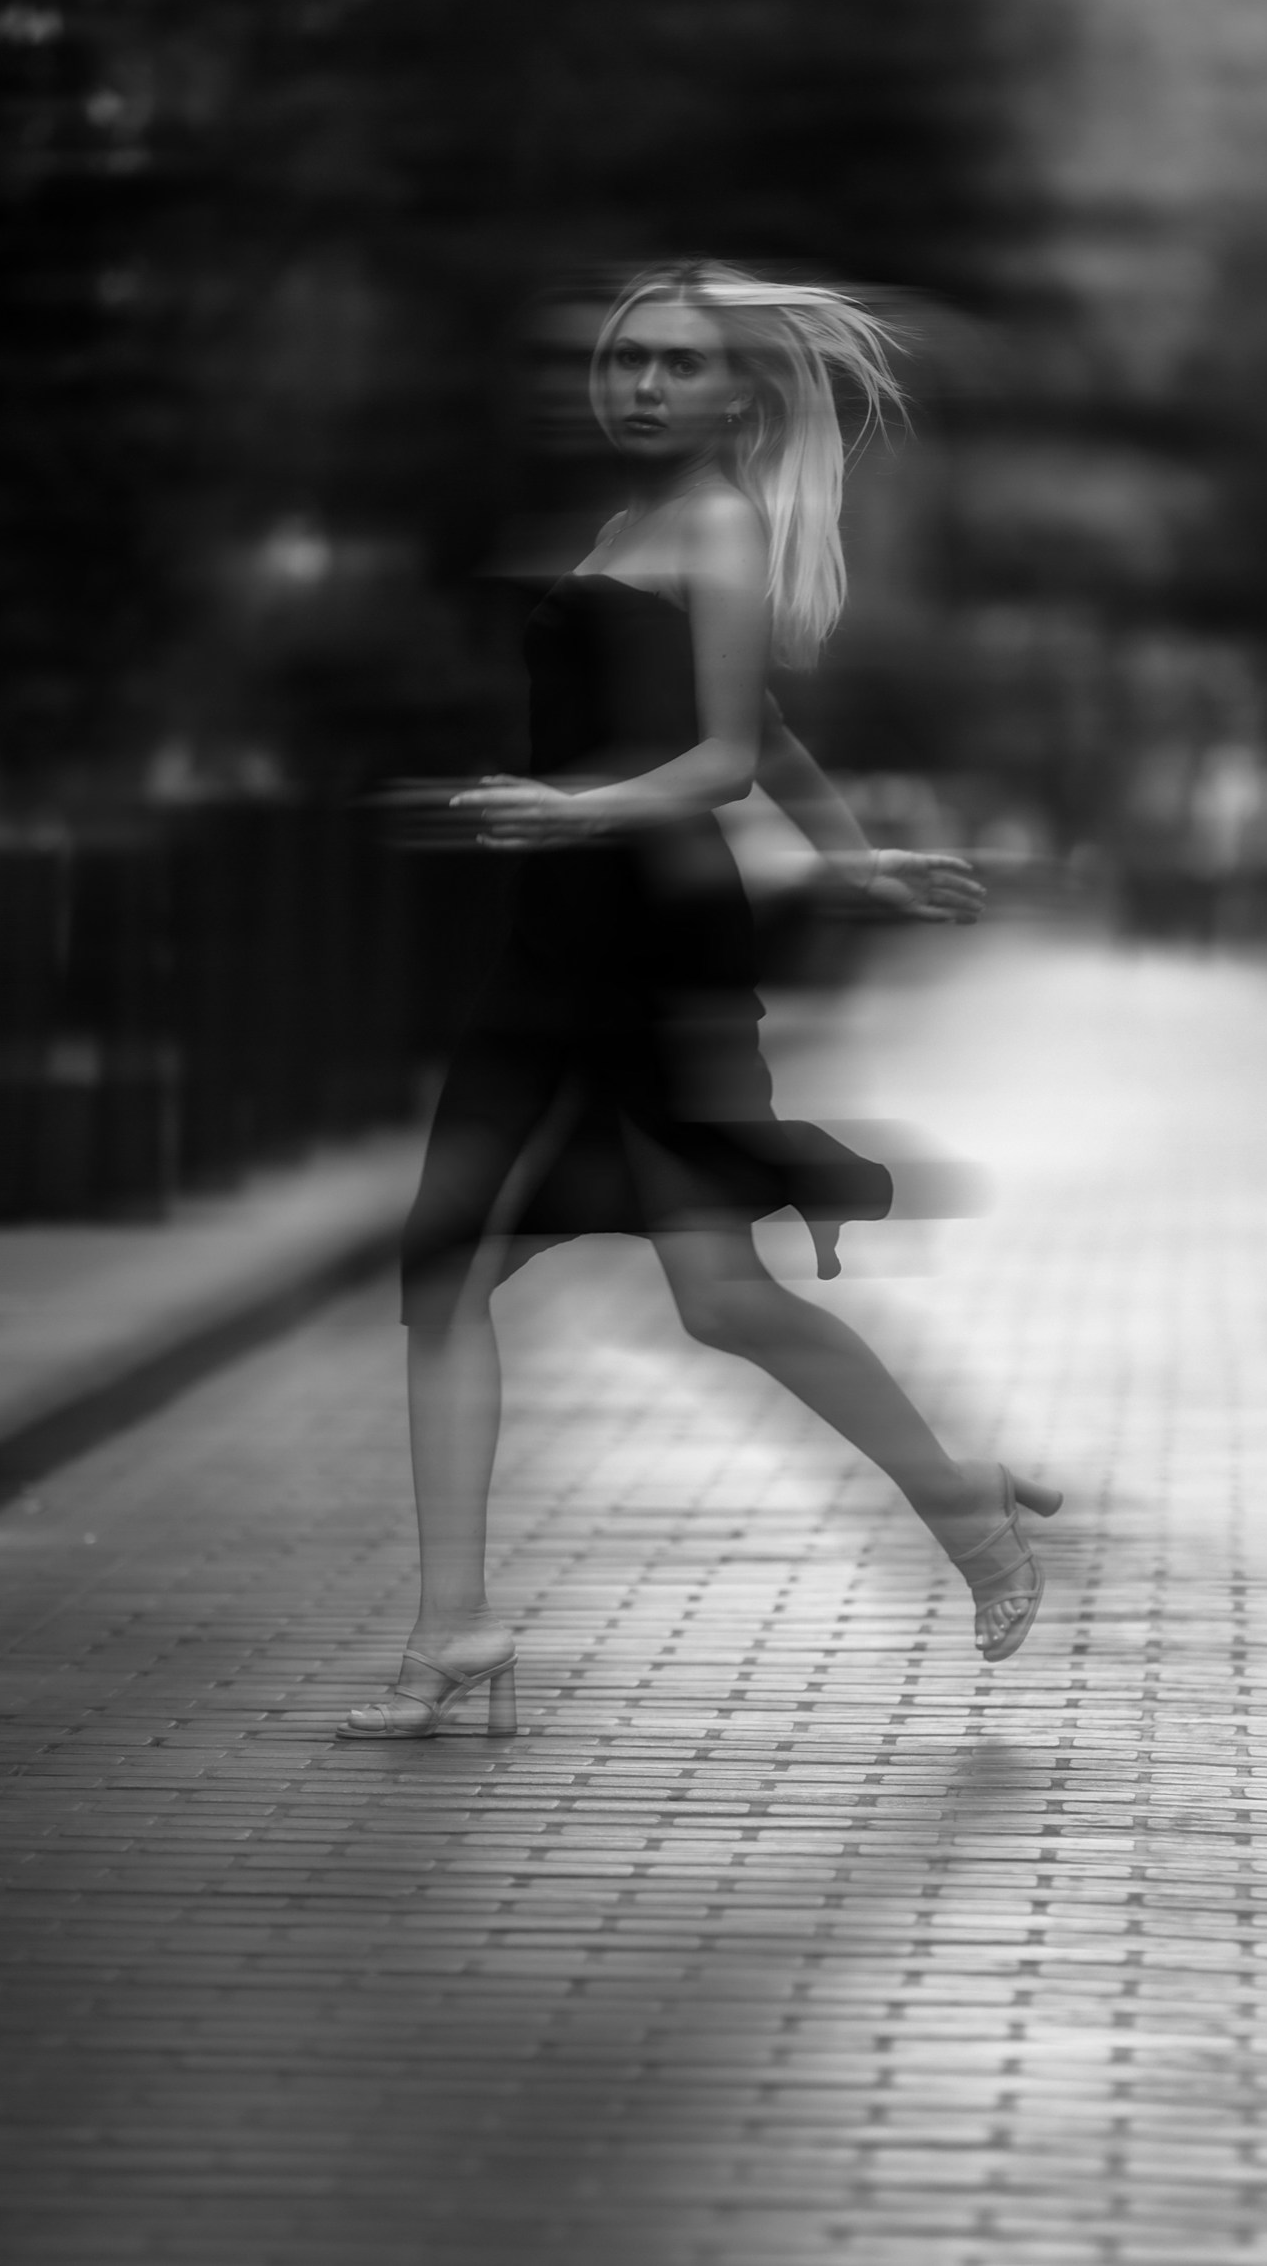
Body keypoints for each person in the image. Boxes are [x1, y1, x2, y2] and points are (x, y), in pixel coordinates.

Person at [339, 263, 1060, 1740]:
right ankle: (455, 1630)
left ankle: (964, 1505)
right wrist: (855, 860)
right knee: (453, 1278)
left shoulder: (718, 524)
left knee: (719, 1300)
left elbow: (722, 760)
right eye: (627, 362)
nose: (643, 387)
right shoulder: (631, 526)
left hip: (651, 954)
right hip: (556, 945)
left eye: (675, 365)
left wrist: (561, 809)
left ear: (736, 391)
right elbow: (765, 732)